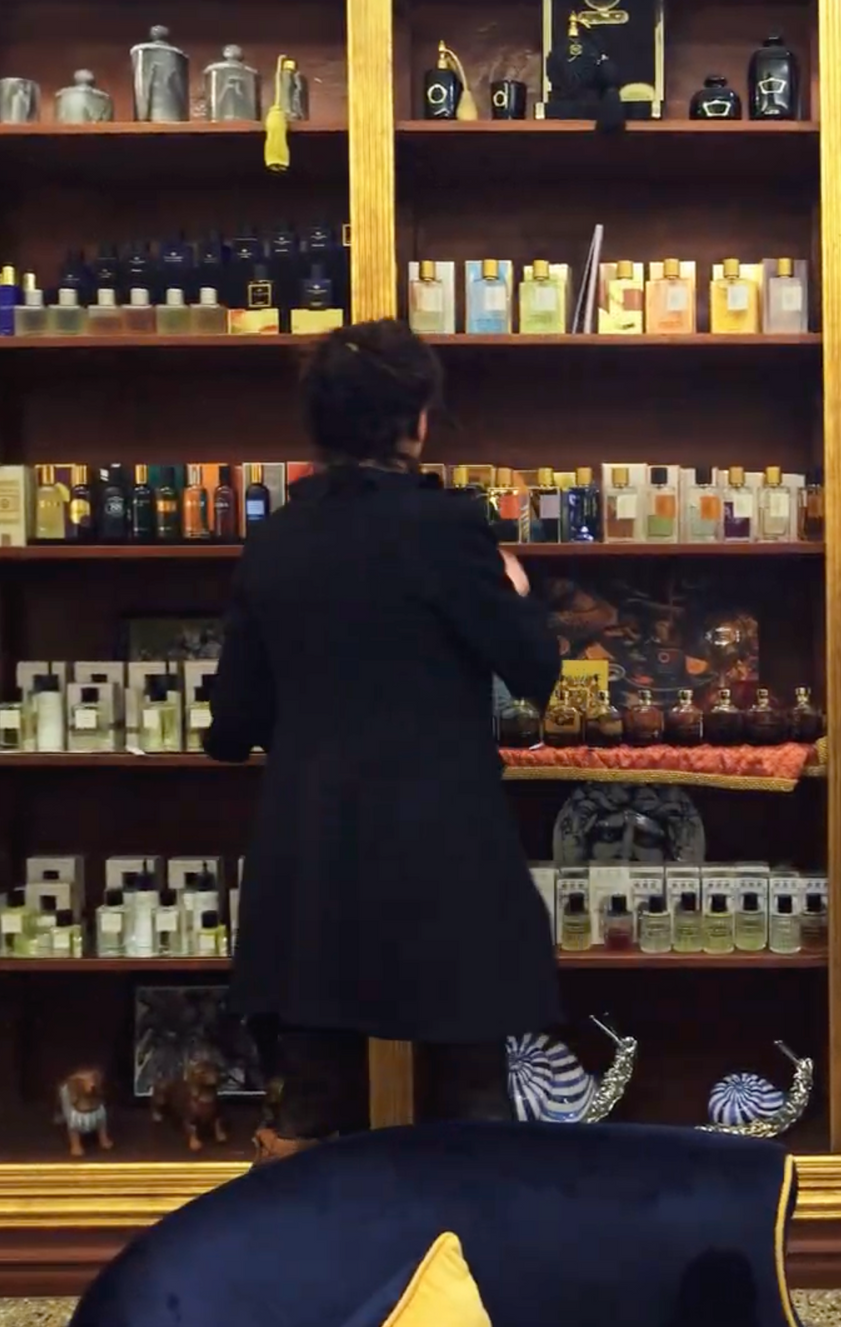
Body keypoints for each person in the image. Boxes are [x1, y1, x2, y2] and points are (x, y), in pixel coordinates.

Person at [204, 319, 562, 1158]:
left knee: (310, 1103)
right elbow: (533, 667)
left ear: (318, 424)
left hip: (313, 852)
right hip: (443, 847)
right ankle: (471, 1270)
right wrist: (513, 586)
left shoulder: (276, 539)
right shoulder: (449, 528)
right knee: (471, 1091)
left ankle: (316, 1280)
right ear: (417, 420)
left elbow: (233, 727)